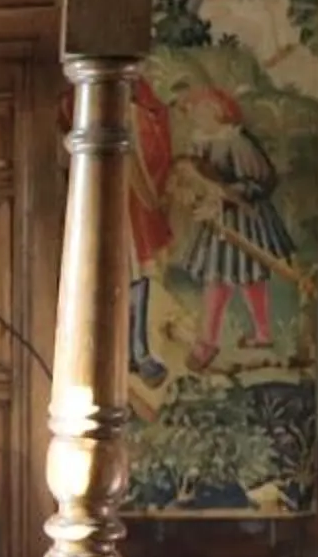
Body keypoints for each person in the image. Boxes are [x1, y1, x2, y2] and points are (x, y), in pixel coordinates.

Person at [175, 84, 293, 369]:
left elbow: (262, 181)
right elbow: (193, 176)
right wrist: (195, 193)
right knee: (217, 278)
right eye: (192, 110)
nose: (195, 115)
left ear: (217, 111)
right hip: (216, 222)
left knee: (248, 276)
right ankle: (208, 341)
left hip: (244, 219)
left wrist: (227, 195)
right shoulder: (200, 141)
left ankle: (261, 334)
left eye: (200, 109)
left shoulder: (237, 142)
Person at [125, 72, 175, 383]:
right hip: (111, 202)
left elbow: (141, 161)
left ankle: (137, 352)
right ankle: (131, 353)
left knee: (136, 276)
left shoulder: (140, 111)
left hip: (128, 205)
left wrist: (151, 202)